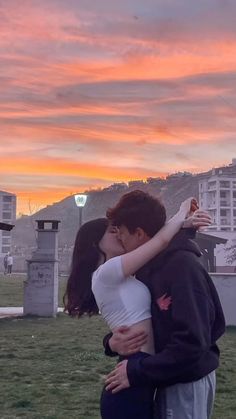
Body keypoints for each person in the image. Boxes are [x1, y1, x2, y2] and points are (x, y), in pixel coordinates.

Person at [64, 194, 212, 419]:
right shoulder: (107, 273)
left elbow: (153, 239)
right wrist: (181, 213)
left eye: (120, 230)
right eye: (113, 232)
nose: (120, 236)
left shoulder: (130, 273)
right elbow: (158, 241)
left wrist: (111, 342)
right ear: (97, 244)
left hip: (142, 372)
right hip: (133, 374)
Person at [103, 190, 225, 419]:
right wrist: (111, 342)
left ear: (139, 233)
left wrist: (138, 370)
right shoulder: (146, 267)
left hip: (184, 381)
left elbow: (192, 342)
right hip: (161, 377)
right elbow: (144, 322)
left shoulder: (181, 268)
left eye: (122, 234)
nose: (120, 240)